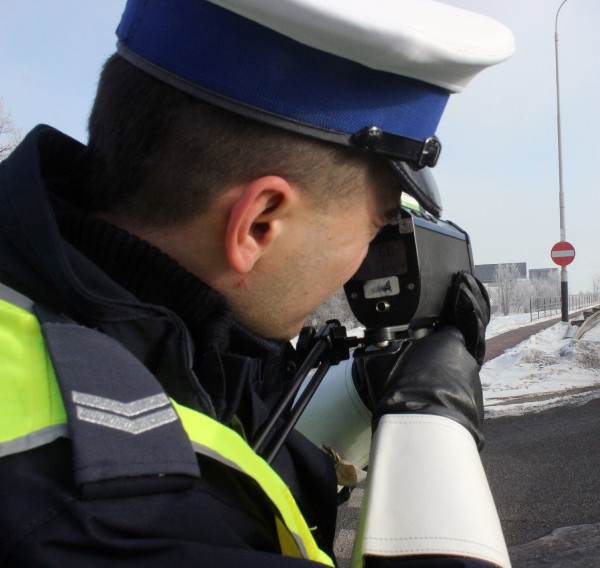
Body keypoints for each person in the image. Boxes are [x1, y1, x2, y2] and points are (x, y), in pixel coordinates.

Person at [0, 0, 515, 566]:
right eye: (373, 228)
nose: (364, 259)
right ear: (259, 222)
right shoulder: (116, 520)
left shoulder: (60, 306)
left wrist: (365, 388)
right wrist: (433, 425)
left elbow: (207, 426)